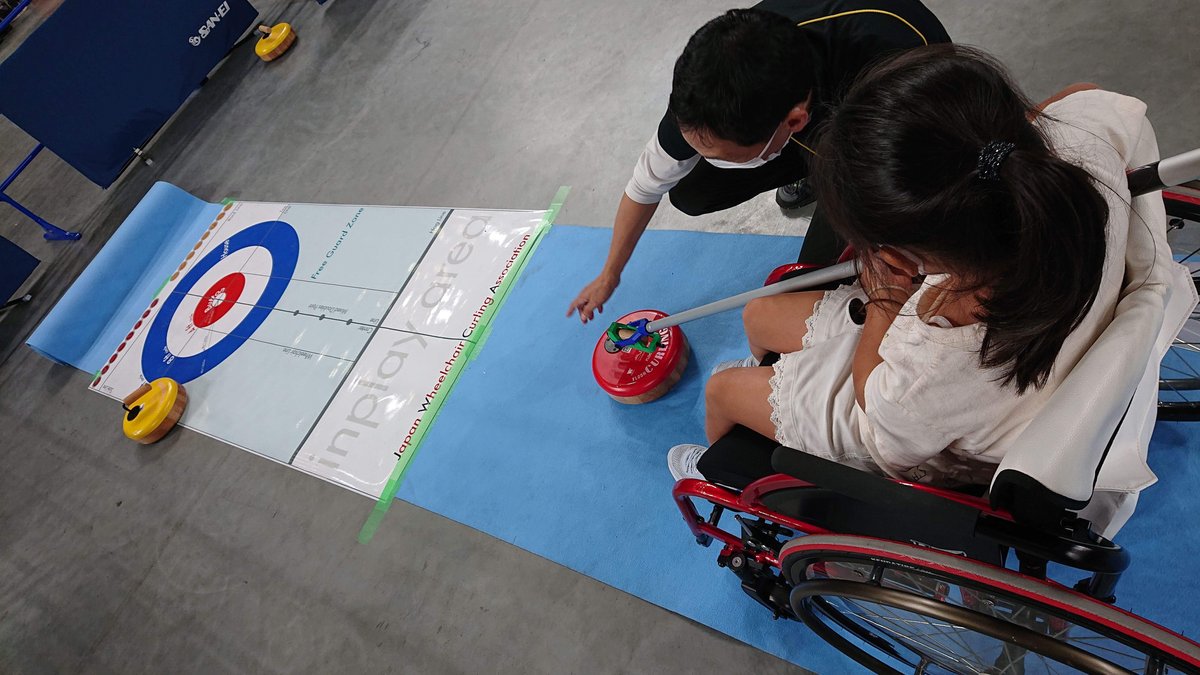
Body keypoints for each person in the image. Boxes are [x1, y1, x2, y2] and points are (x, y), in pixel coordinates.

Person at [668, 44, 1147, 487]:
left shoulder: (931, 363)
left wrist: (886, 302)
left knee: (721, 390)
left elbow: (886, 440)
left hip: (920, 404)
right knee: (759, 313)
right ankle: (773, 378)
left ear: (897, 258)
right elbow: (1083, 95)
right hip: (1022, 330)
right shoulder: (1084, 155)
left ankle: (715, 472)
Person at [566, 0, 949, 324]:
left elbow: (937, 177)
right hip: (810, 126)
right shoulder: (712, 93)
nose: (703, 155)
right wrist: (609, 274)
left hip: (892, 126)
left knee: (822, 282)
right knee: (690, 193)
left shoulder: (898, 72)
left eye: (725, 155)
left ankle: (827, 177)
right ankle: (813, 172)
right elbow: (645, 188)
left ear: (795, 122)